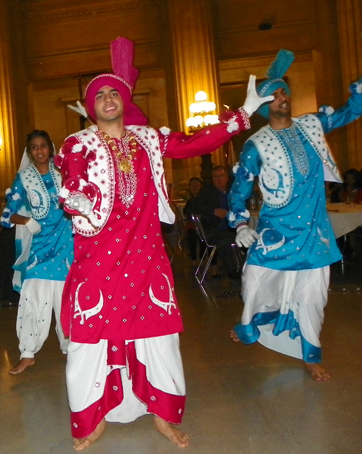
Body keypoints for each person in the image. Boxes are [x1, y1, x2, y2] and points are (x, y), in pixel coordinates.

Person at [54, 36, 273, 451]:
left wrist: (243, 112)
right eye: (97, 95)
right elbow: (71, 180)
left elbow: (196, 142)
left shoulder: (149, 139)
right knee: (89, 343)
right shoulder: (76, 144)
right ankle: (92, 416)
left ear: (124, 98)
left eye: (112, 92)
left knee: (158, 338)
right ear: (89, 107)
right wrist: (76, 196)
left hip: (144, 258)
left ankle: (163, 416)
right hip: (98, 261)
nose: (106, 98)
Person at [227, 49, 362, 382]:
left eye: (284, 91)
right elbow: (239, 189)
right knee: (255, 279)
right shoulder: (255, 145)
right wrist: (242, 222)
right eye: (273, 95)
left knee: (312, 295)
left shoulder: (312, 125)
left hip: (314, 232)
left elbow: (350, 112)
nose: (282, 98)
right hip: (275, 232)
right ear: (262, 106)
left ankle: (311, 355)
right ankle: (249, 325)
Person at [1, 130, 74, 374]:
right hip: (40, 247)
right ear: (29, 151)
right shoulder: (23, 178)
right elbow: (6, 215)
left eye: (44, 145)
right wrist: (26, 221)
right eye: (34, 147)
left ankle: (71, 348)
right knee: (31, 298)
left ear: (50, 149)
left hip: (67, 244)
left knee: (66, 300)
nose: (40, 150)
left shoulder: (64, 172)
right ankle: (28, 352)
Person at [185, 165, 241, 279]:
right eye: (215, 177)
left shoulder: (233, 190)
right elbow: (190, 208)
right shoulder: (207, 191)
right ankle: (233, 273)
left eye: (221, 176)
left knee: (252, 237)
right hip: (212, 230)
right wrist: (213, 211)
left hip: (233, 228)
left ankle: (251, 270)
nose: (218, 180)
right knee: (225, 240)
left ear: (227, 177)